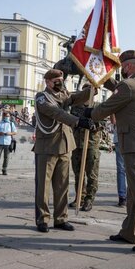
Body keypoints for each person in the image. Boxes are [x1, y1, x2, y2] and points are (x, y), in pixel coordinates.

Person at [85, 50, 135, 253]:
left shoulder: (128, 86)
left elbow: (105, 108)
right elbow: (121, 90)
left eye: (123, 67)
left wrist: (89, 112)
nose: (121, 71)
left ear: (128, 66)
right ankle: (130, 231)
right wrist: (104, 77)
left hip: (134, 143)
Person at [33, 69, 95, 233]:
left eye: (61, 80)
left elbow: (74, 98)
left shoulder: (63, 94)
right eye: (56, 81)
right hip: (47, 146)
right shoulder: (42, 97)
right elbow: (56, 112)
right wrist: (78, 121)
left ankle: (61, 219)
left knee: (62, 185)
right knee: (43, 187)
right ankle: (42, 219)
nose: (60, 83)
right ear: (47, 82)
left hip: (65, 145)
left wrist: (92, 89)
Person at [69, 85, 103, 212]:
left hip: (91, 145)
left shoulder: (97, 107)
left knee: (92, 174)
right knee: (78, 174)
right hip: (77, 144)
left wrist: (93, 125)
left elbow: (101, 125)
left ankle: (89, 199)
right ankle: (80, 197)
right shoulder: (75, 107)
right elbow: (70, 121)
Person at [0, 109, 17, 176]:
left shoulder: (11, 124)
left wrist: (10, 133)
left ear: (9, 116)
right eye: (5, 115)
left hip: (8, 143)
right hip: (0, 142)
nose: (6, 117)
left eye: (7, 116)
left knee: (6, 157)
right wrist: (0, 133)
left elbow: (15, 132)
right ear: (3, 116)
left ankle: (4, 170)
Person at [110, 114, 127, 207]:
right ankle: (124, 196)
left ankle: (123, 197)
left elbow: (113, 120)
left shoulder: (116, 99)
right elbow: (113, 121)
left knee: (121, 170)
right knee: (127, 169)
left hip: (121, 136)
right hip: (127, 137)